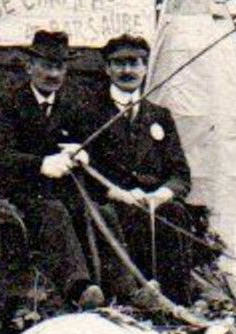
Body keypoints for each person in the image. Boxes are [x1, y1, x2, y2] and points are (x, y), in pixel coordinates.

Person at [0, 29, 105, 307]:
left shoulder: (71, 104)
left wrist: (82, 152)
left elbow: (86, 142)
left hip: (63, 192)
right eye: (47, 65)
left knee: (100, 211)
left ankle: (128, 288)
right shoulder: (7, 102)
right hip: (19, 195)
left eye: (59, 66)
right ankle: (80, 289)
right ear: (29, 66)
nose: (53, 74)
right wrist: (40, 164)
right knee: (54, 211)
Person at [71, 33, 196, 305]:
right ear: (107, 68)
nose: (127, 70)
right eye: (119, 63)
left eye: (134, 62)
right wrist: (117, 193)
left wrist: (161, 194)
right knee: (112, 216)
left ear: (145, 67)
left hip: (153, 205)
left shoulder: (159, 115)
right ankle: (132, 296)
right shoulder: (89, 113)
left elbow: (181, 174)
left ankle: (175, 304)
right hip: (113, 201)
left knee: (174, 213)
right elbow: (82, 169)